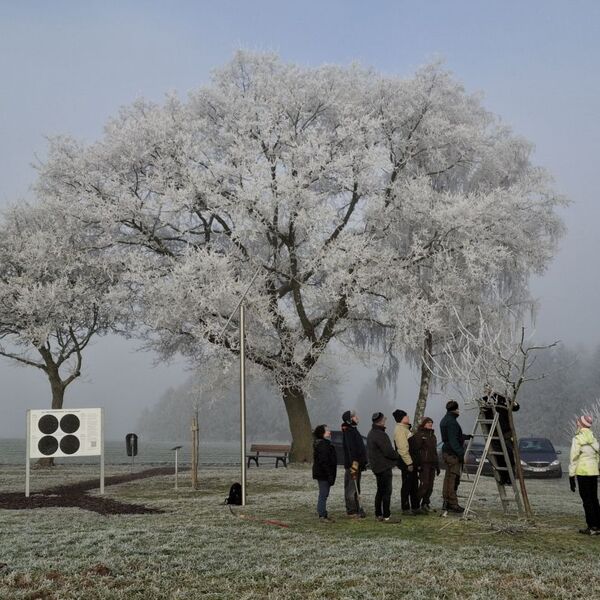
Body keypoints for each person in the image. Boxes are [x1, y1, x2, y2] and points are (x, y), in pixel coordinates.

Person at [481, 384, 520, 485]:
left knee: (509, 455)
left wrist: (513, 402)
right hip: (494, 433)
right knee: (499, 458)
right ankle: (503, 477)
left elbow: (515, 407)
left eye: (489, 388)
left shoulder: (502, 398)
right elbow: (483, 412)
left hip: (505, 432)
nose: (488, 391)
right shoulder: (484, 400)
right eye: (486, 389)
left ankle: (510, 477)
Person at [367, 412, 402, 522]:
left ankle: (378, 515)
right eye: (384, 419)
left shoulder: (372, 433)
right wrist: (398, 455)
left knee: (380, 491)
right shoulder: (380, 434)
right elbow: (388, 452)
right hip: (383, 467)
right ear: (381, 421)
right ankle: (387, 516)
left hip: (377, 467)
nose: (385, 420)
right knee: (386, 492)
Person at [569, 415, 600, 535]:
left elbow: (574, 458)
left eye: (578, 421)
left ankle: (591, 527)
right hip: (593, 472)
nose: (577, 422)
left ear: (580, 424)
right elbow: (598, 456)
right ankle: (598, 525)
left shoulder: (578, 439)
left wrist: (571, 476)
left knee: (586, 500)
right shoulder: (594, 439)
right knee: (594, 499)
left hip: (582, 472)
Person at [439, 400, 466, 513]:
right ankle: (453, 504)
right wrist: (461, 454)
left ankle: (446, 502)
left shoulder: (445, 420)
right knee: (452, 480)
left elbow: (452, 436)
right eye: (458, 409)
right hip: (453, 454)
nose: (459, 411)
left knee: (448, 478)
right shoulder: (452, 422)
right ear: (455, 409)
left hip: (447, 452)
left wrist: (465, 436)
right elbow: (453, 440)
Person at [392, 409, 420, 515]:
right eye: (406, 416)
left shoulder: (405, 429)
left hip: (411, 463)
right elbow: (403, 448)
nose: (408, 417)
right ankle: (405, 508)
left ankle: (415, 506)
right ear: (401, 419)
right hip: (407, 463)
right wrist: (409, 463)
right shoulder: (400, 430)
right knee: (407, 486)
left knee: (414, 485)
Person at [410, 416, 440, 512]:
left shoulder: (433, 436)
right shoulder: (419, 435)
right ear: (423, 424)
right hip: (424, 464)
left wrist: (437, 465)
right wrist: (418, 464)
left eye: (431, 422)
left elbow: (434, 451)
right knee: (424, 484)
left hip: (432, 464)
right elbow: (415, 450)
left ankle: (425, 503)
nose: (430, 424)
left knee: (430, 486)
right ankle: (416, 505)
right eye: (428, 422)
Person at [341, 410, 368, 518]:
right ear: (349, 419)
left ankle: (357, 509)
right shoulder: (348, 431)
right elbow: (351, 449)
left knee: (356, 488)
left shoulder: (353, 430)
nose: (357, 418)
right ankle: (351, 511)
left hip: (357, 464)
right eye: (354, 416)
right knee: (351, 489)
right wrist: (354, 464)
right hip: (353, 464)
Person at [312, 424, 338, 523]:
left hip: (324, 473)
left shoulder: (325, 443)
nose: (329, 432)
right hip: (323, 474)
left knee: (324, 494)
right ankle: (322, 515)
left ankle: (323, 513)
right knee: (323, 494)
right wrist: (329, 474)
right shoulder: (323, 444)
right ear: (322, 433)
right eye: (327, 430)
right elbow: (324, 461)